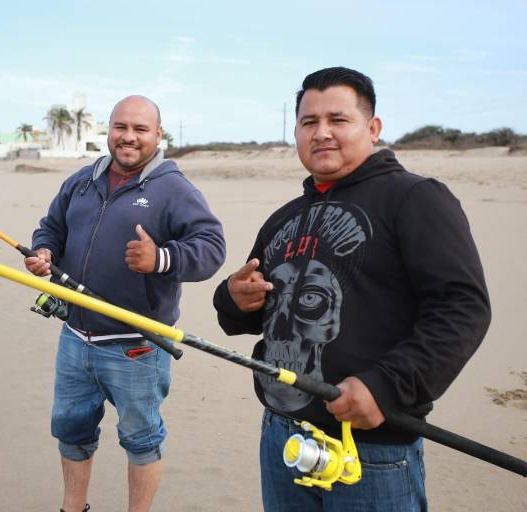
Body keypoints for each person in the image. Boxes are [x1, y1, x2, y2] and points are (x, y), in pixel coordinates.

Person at [212, 67, 491, 511]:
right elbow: (246, 314)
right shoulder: (284, 218)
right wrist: (232, 296)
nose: (321, 133)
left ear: (373, 128)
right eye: (308, 123)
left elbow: (463, 308)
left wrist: (386, 386)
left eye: (337, 120)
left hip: (370, 449)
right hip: (283, 435)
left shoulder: (416, 198)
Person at [25, 95, 225, 512]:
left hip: (138, 344)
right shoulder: (82, 180)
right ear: (109, 130)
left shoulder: (174, 189)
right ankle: (72, 508)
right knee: (71, 430)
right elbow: (51, 229)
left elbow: (211, 248)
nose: (129, 137)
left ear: (158, 134)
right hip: (75, 337)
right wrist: (44, 254)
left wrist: (160, 259)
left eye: (140, 129)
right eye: (121, 127)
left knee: (141, 438)